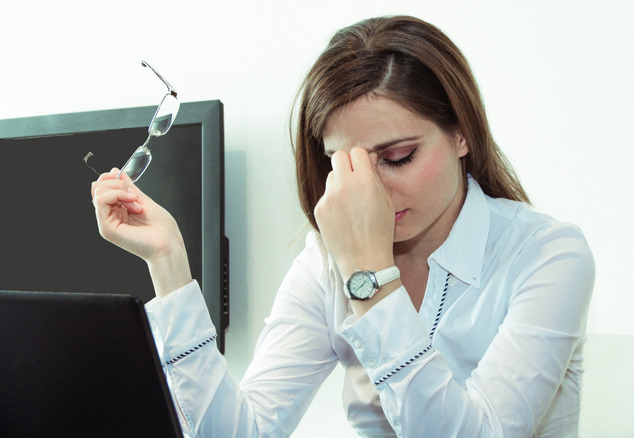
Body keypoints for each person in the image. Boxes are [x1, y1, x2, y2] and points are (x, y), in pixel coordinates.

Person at [91, 15, 594, 438]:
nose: (367, 193)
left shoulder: (547, 254)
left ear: (461, 133)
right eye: (345, 164)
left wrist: (369, 274)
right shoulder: (324, 262)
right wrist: (169, 263)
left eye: (398, 157)